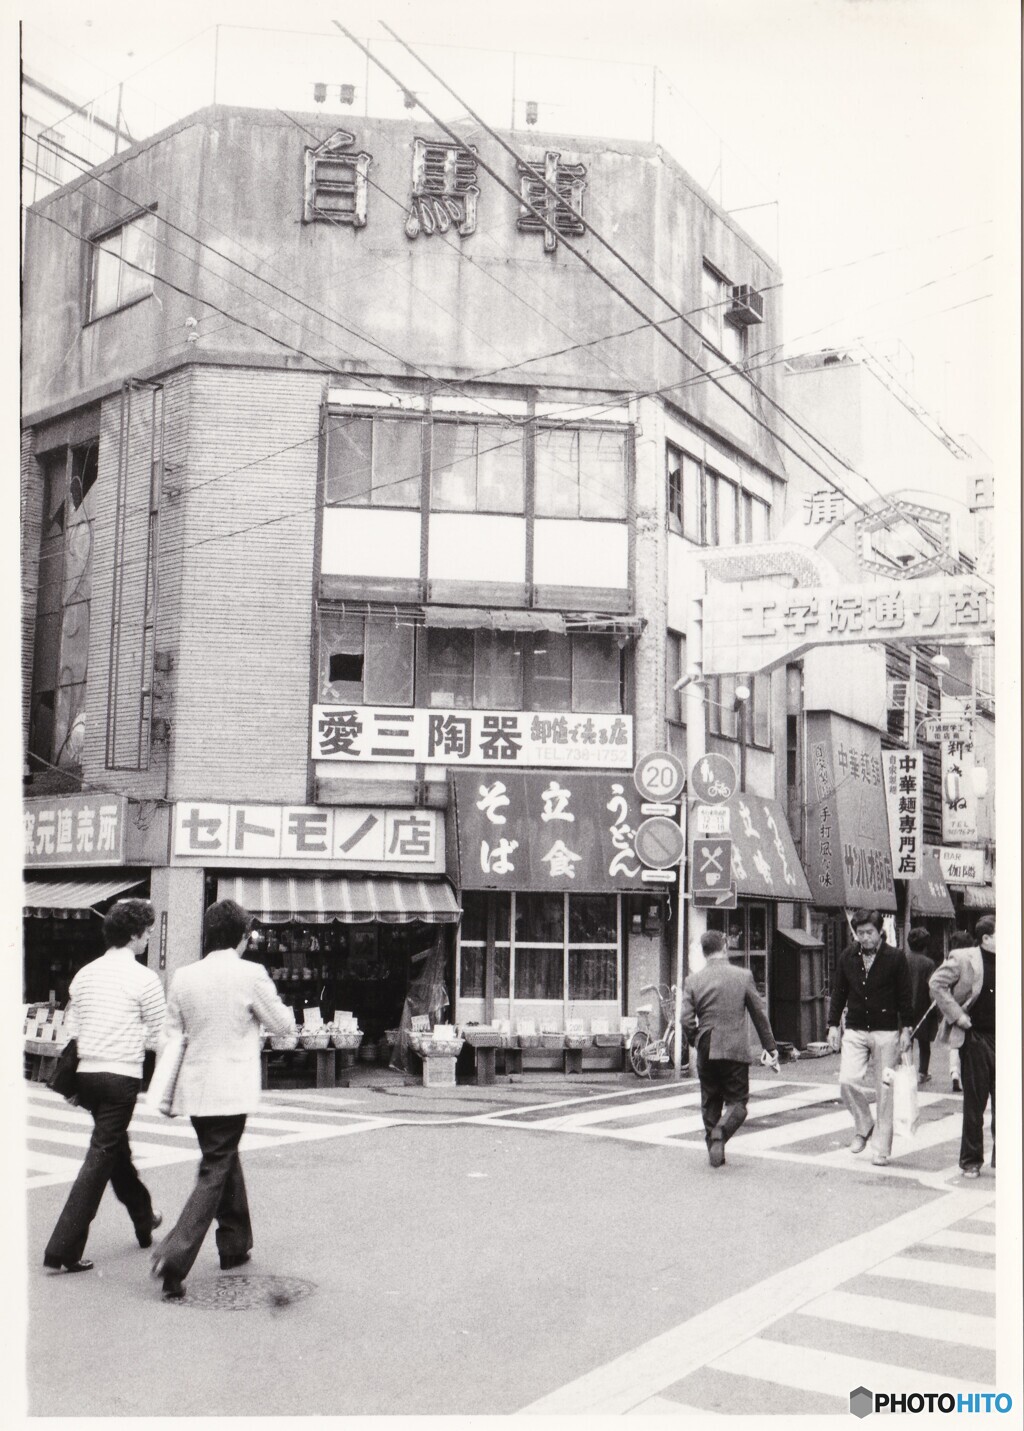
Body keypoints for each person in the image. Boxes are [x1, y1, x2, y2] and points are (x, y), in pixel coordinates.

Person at [151, 899, 295, 1300]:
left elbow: (170, 1035)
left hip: (195, 1091)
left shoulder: (183, 976)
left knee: (223, 1159)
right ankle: (175, 1256)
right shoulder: (250, 974)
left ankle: (235, 1243)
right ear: (240, 937)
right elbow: (282, 1026)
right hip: (231, 1091)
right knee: (217, 1166)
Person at [43, 899, 166, 1273]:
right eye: (146, 932)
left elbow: (74, 1031)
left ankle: (144, 1219)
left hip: (88, 1075)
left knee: (114, 1151)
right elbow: (161, 1036)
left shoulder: (85, 974)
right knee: (100, 1157)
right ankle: (62, 1247)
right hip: (121, 1076)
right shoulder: (145, 979)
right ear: (133, 935)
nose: (148, 939)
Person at [680, 929, 779, 1167]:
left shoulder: (693, 980)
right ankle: (720, 1133)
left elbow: (685, 1019)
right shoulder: (743, 976)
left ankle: (715, 1150)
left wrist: (696, 1039)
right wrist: (770, 1047)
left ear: (704, 953)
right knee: (738, 1102)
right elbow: (758, 1014)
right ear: (724, 947)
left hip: (706, 1044)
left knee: (710, 1099)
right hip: (734, 1046)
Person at [826, 909, 913, 1168]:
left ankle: (881, 1150)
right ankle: (864, 1124)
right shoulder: (847, 956)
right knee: (847, 1080)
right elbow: (839, 991)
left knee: (884, 1092)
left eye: (869, 933)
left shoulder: (895, 958)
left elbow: (905, 996)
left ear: (880, 932)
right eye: (859, 933)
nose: (864, 938)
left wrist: (906, 1028)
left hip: (886, 1031)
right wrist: (832, 1025)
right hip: (854, 1028)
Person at [930, 915, 994, 1179]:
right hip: (976, 1036)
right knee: (975, 1102)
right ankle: (971, 1160)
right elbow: (936, 983)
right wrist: (957, 1015)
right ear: (987, 938)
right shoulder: (964, 958)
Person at [905, 927, 938, 1082]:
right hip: (924, 1006)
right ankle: (922, 1073)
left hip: (904, 1006)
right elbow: (932, 987)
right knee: (924, 1044)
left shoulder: (902, 958)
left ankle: (906, 1069)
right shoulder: (929, 963)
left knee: (906, 1040)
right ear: (925, 945)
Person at [945, 931, 976, 1091]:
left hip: (955, 1006)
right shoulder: (974, 960)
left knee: (955, 1044)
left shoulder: (953, 960)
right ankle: (965, 1075)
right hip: (971, 1005)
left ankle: (954, 1072)